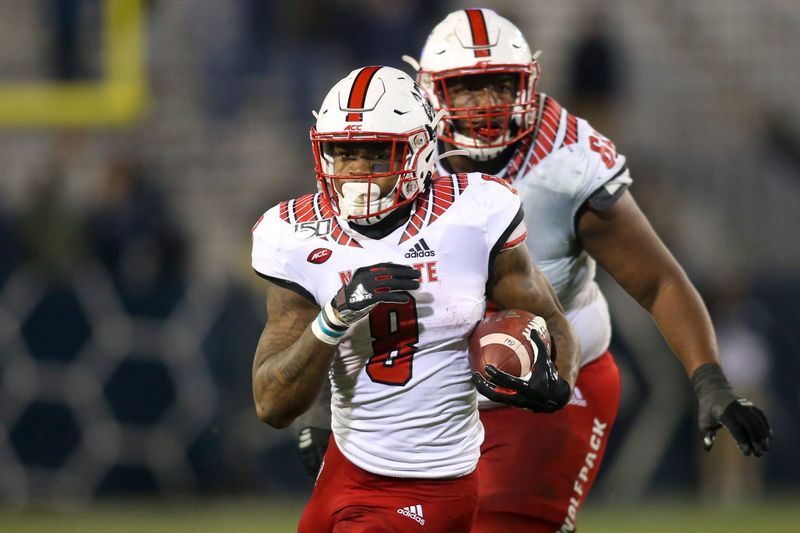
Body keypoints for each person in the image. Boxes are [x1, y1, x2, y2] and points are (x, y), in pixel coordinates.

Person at [295, 9, 773, 532]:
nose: (485, 106)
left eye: (500, 86)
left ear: (528, 84)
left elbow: (658, 279)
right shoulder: (394, 154)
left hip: (552, 375)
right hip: (432, 389)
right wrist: (325, 400)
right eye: (467, 89)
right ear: (429, 93)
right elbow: (344, 284)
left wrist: (708, 378)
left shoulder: (567, 160)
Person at [251, 66, 580, 532]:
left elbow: (551, 318)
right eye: (342, 153)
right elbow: (271, 404)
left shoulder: (474, 213)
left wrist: (558, 382)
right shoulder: (296, 235)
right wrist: (334, 318)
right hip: (344, 469)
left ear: (420, 150)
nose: (355, 173)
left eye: (375, 155)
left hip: (429, 485)